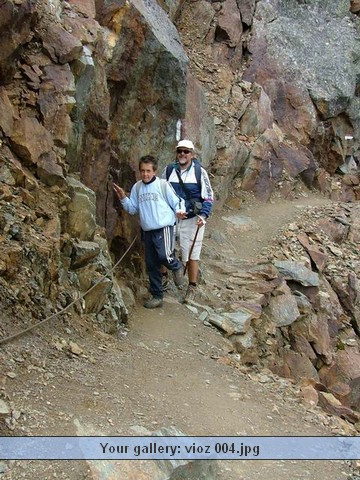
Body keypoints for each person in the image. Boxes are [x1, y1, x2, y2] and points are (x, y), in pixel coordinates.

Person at [113, 155, 185, 309]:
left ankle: (177, 266)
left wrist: (179, 211)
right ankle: (157, 296)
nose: (145, 174)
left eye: (148, 171)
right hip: (148, 231)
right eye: (142, 171)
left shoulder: (163, 185)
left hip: (164, 226)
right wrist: (123, 198)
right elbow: (132, 209)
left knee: (164, 255)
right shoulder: (137, 187)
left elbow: (177, 201)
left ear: (155, 171)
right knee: (152, 264)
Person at [162, 139, 214, 304]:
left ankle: (192, 286)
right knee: (164, 248)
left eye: (186, 151)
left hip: (192, 219)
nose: (182, 154)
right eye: (180, 151)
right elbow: (161, 192)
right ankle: (163, 278)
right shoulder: (169, 170)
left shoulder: (200, 172)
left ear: (192, 154)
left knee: (192, 254)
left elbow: (209, 197)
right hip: (172, 217)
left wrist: (203, 216)